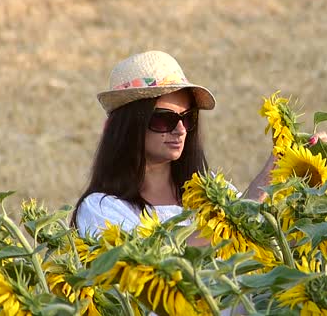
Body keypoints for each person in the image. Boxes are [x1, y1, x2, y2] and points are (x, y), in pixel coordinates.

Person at [71, 50, 275, 239]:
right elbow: (155, 264)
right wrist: (236, 218)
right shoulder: (100, 208)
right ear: (130, 125)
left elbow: (255, 228)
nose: (181, 130)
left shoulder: (212, 190)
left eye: (187, 118)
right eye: (164, 119)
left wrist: (281, 162)